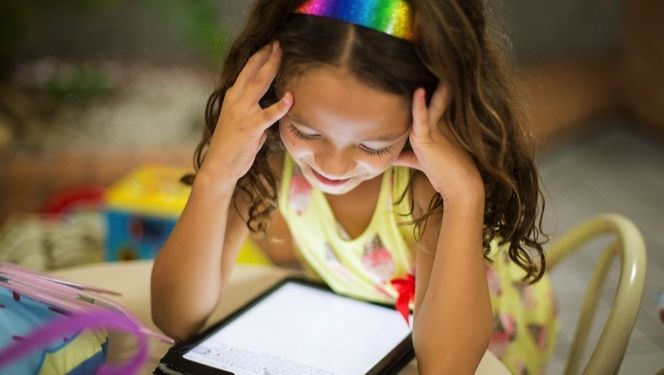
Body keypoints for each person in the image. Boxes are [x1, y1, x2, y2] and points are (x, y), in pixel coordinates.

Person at [151, 0, 558, 373]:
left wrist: (464, 193)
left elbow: (446, 368)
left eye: (372, 144)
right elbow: (175, 317)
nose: (333, 165)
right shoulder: (272, 163)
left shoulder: (427, 190)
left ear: (432, 117)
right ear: (271, 93)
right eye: (306, 132)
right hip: (371, 336)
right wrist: (216, 175)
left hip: (494, 352)